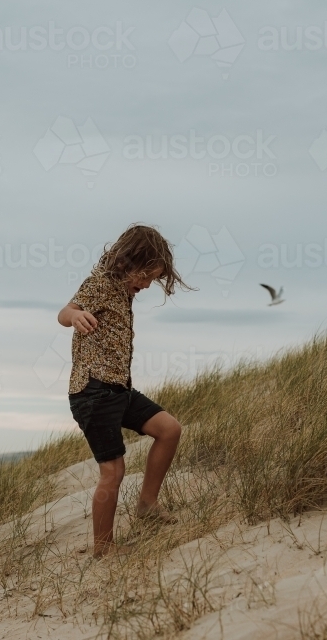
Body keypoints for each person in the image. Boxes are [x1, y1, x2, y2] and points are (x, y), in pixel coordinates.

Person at [57, 223, 194, 557]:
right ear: (128, 262)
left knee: (169, 429)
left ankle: (147, 505)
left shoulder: (122, 291)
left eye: (153, 278)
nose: (146, 284)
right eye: (145, 275)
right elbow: (65, 311)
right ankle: (103, 548)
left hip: (119, 390)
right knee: (113, 471)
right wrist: (75, 317)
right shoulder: (100, 284)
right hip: (92, 391)